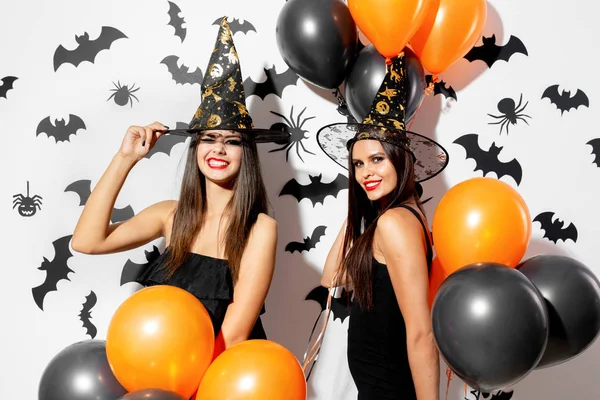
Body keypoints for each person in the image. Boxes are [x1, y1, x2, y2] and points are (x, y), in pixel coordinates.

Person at [71, 17, 288, 352]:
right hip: (164, 367)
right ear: (195, 148)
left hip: (219, 372)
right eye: (209, 139)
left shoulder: (259, 228)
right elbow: (87, 241)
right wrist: (125, 158)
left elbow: (234, 335)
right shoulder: (170, 216)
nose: (218, 148)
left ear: (246, 154)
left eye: (231, 142)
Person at [316, 53, 449, 399]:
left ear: (399, 158)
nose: (365, 173)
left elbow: (421, 332)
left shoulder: (395, 223)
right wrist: (359, 207)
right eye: (358, 164)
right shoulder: (391, 218)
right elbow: (331, 278)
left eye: (377, 159)